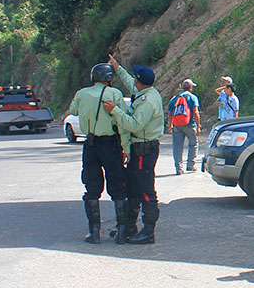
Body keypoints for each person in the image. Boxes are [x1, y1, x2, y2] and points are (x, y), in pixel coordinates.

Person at [104, 54, 165, 245]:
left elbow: (135, 125)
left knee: (145, 190)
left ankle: (148, 231)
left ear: (141, 82)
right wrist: (117, 66)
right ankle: (130, 226)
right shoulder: (143, 92)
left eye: (136, 79)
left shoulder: (148, 101)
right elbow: (130, 82)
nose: (134, 82)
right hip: (138, 148)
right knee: (132, 187)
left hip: (144, 150)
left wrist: (115, 110)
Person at [68, 64, 129, 244]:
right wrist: (126, 147)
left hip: (91, 145)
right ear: (109, 78)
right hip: (111, 145)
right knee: (118, 187)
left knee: (92, 188)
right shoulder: (115, 94)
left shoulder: (81, 93)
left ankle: (94, 232)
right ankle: (122, 232)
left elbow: (73, 111)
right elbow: (123, 122)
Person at [167, 78, 201, 175]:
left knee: (177, 146)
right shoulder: (193, 97)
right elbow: (195, 112)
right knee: (193, 144)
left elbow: (169, 113)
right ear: (190, 88)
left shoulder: (174, 98)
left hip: (177, 125)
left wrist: (170, 125)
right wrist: (198, 126)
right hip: (190, 125)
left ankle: (178, 168)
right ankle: (191, 165)